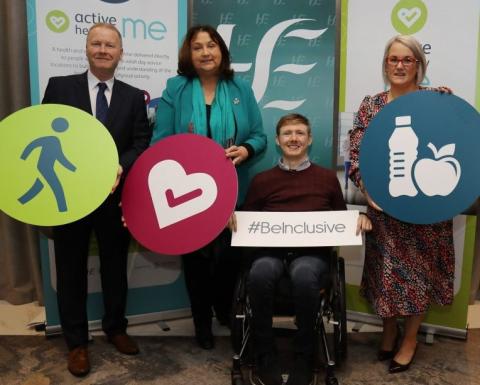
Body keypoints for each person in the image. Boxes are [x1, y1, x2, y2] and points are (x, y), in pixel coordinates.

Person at [229, 114, 371, 385]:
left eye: (299, 133)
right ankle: (264, 353)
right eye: (287, 133)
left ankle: (304, 355)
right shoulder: (262, 180)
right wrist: (234, 220)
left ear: (309, 139)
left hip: (311, 255)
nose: (293, 138)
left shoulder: (327, 179)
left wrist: (359, 219)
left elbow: (340, 220)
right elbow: (246, 222)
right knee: (259, 272)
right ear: (277, 141)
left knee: (305, 274)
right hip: (270, 253)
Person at [42, 23, 151, 377]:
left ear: (121, 53)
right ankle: (76, 344)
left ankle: (116, 328)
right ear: (87, 49)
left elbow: (139, 143)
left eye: (110, 45)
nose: (103, 50)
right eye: (96, 44)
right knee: (70, 270)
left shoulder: (135, 97)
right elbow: (43, 130)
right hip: (70, 198)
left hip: (114, 198)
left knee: (115, 266)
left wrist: (121, 165)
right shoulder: (60, 87)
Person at [152, 25, 266, 349]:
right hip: (186, 195)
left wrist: (246, 150)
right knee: (196, 263)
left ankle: (226, 314)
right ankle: (201, 323)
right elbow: (160, 140)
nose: (205, 52)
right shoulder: (176, 88)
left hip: (232, 193)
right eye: (198, 46)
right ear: (189, 54)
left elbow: (259, 136)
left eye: (211, 45)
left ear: (222, 51)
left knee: (229, 261)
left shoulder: (240, 88)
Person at [349, 35, 455, 374]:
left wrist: (451, 108)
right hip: (385, 212)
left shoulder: (435, 102)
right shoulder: (371, 105)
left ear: (418, 65)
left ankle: (409, 340)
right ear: (385, 65)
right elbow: (355, 156)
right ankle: (388, 329)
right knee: (386, 276)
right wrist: (367, 191)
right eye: (393, 59)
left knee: (418, 278)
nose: (399, 65)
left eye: (407, 60)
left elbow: (460, 143)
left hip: (426, 213)